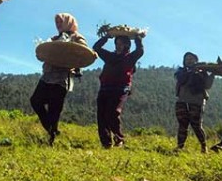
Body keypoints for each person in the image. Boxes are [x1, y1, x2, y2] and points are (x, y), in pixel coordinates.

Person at [30, 13, 87, 145]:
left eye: (61, 22)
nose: (58, 25)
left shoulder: (77, 37)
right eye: (57, 23)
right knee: (35, 101)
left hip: (62, 78)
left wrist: (77, 66)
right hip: (48, 75)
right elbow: (44, 53)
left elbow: (82, 54)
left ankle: (51, 138)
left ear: (68, 22)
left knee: (54, 108)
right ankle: (52, 130)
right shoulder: (54, 38)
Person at [92, 32, 145, 148]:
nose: (118, 46)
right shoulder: (110, 56)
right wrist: (106, 37)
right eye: (117, 43)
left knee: (113, 112)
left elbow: (140, 51)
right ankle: (106, 143)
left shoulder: (130, 57)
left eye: (121, 44)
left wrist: (138, 38)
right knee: (101, 115)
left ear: (127, 45)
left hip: (121, 88)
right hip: (105, 87)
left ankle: (119, 138)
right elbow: (96, 48)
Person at [174, 52, 214, 153]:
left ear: (196, 60)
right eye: (187, 59)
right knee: (182, 125)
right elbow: (181, 79)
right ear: (184, 62)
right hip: (182, 101)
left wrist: (212, 73)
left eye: (191, 59)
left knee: (196, 125)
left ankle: (204, 146)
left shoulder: (202, 73)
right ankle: (179, 146)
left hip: (197, 102)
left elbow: (207, 85)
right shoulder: (181, 72)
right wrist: (192, 71)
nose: (189, 60)